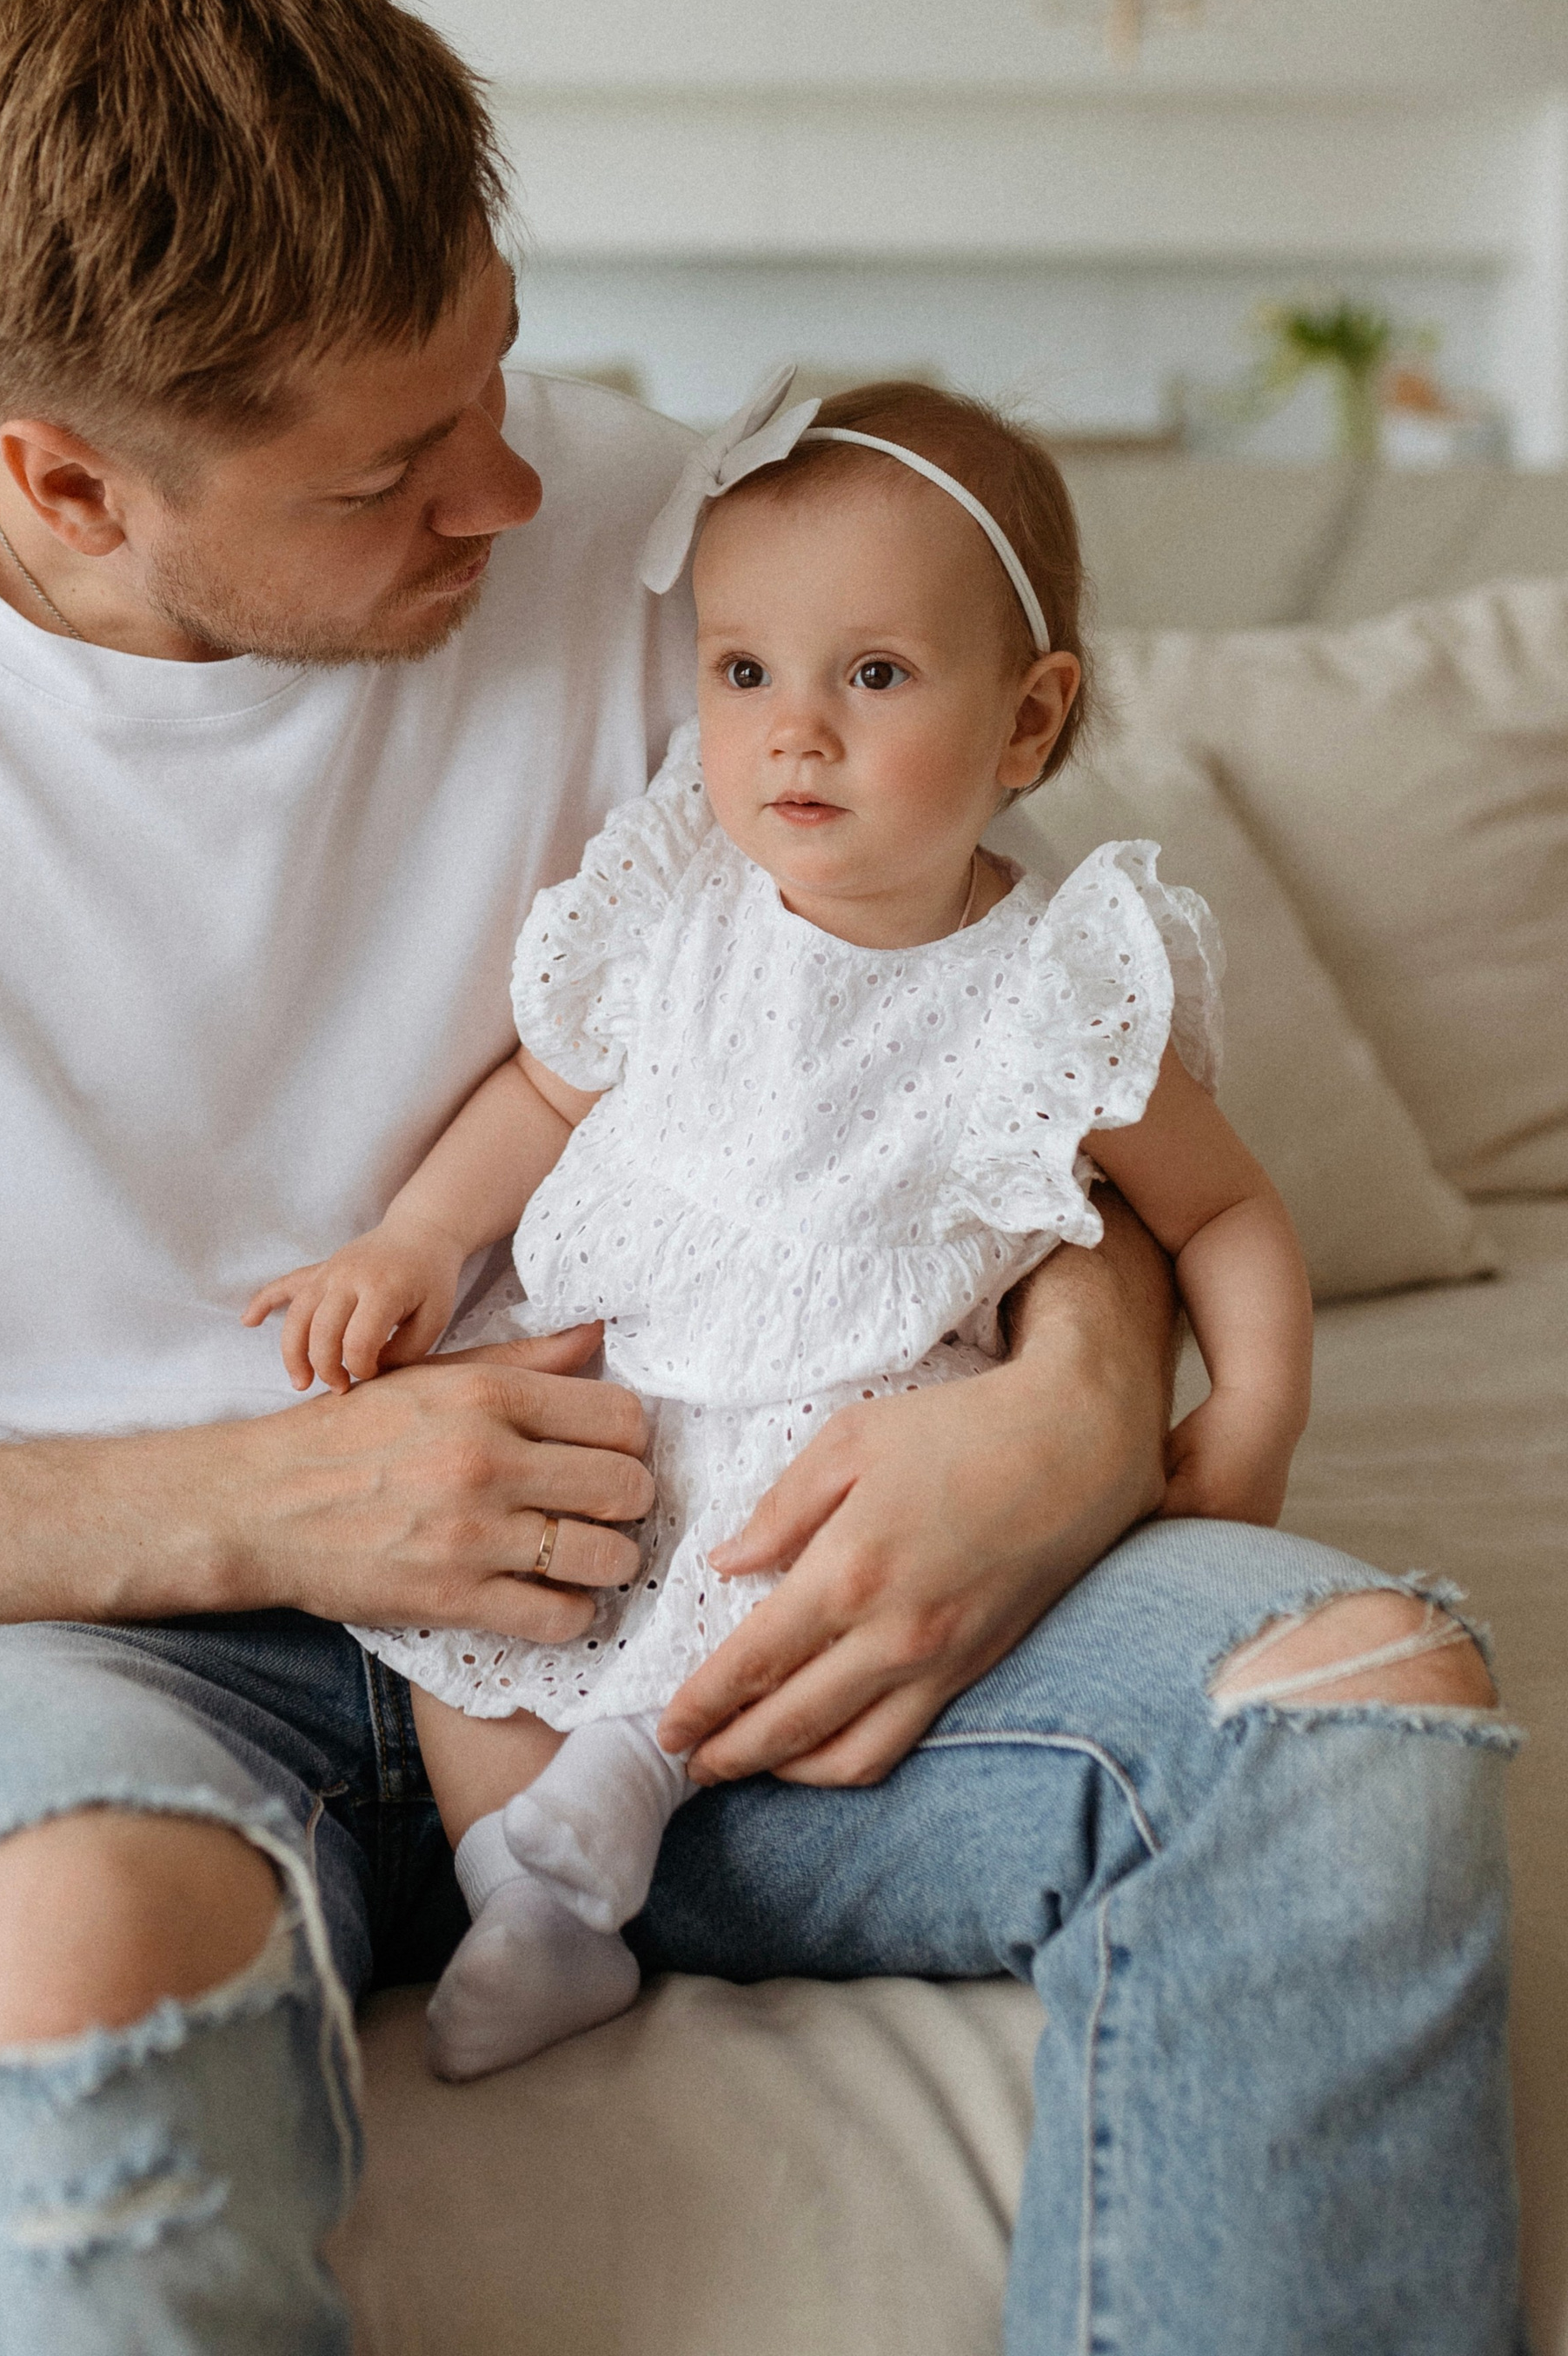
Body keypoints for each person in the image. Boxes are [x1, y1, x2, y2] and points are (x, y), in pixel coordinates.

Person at [0, 0, 1518, 2356]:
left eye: (497, 362)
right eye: (390, 469)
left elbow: (990, 1034)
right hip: (64, 1663)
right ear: (69, 482)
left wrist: (1073, 1396)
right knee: (72, 1954)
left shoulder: (687, 553)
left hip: (701, 1589)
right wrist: (256, 1499)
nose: (509, 486)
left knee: (1343, 1716)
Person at [249, 373, 1318, 2081]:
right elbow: (545, 1089)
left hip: (839, 1424)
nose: (791, 731)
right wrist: (419, 1241)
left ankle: (625, 1789)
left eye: (871, 675)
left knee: (789, 1570)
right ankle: (519, 1892)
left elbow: (1226, 1210)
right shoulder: (682, 894)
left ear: (1026, 722)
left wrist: (1252, 1409)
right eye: (743, 670)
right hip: (614, 1374)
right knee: (467, 1608)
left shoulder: (1047, 989)